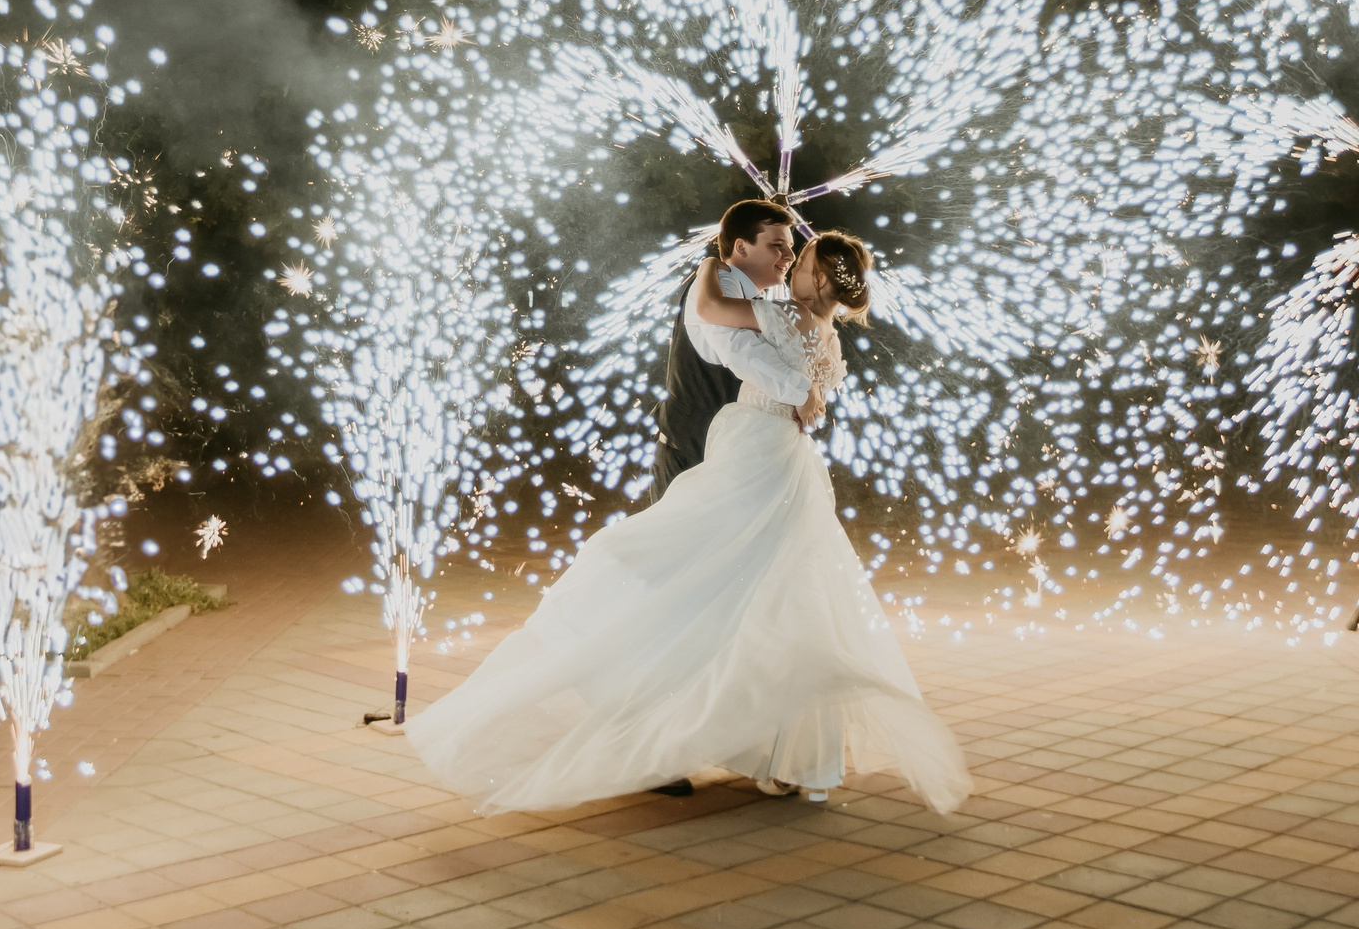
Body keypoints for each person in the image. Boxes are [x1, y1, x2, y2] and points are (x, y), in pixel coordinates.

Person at [405, 226, 970, 814]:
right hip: (792, 461)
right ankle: (790, 757)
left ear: (820, 278)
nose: (790, 263)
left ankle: (675, 724)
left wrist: (711, 264)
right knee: (785, 595)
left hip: (754, 452)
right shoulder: (828, 339)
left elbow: (710, 308)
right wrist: (799, 387)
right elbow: (806, 398)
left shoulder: (780, 318)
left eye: (798, 258)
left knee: (698, 574)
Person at [652, 199, 803, 498]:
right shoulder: (719, 285)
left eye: (789, 246)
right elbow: (742, 353)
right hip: (689, 459)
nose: (790, 255)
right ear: (742, 247)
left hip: (721, 459)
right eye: (777, 245)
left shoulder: (748, 298)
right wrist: (803, 394)